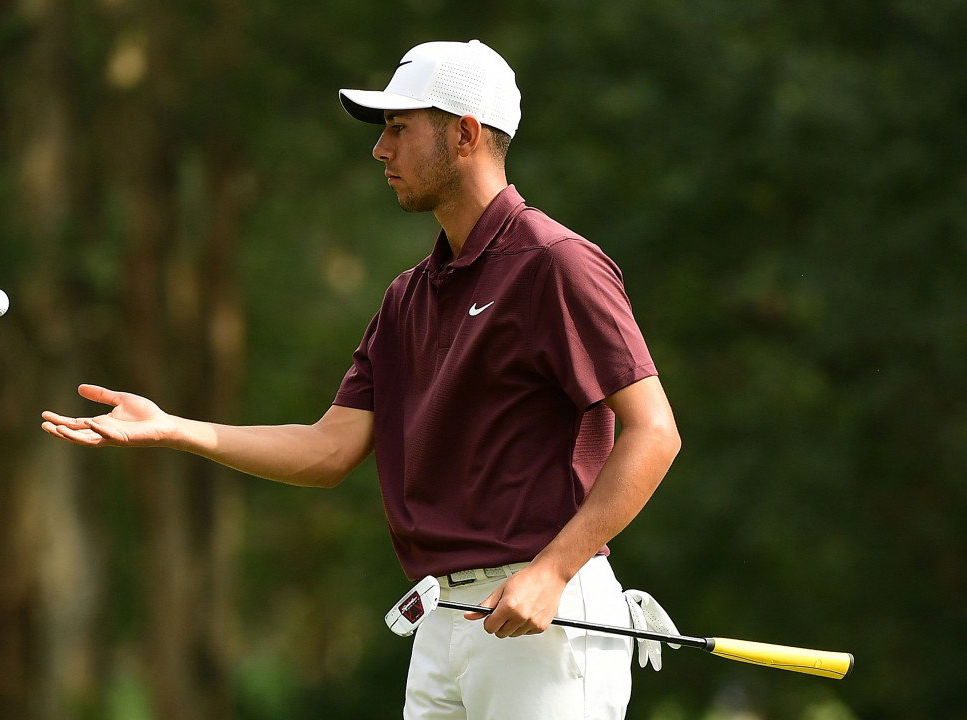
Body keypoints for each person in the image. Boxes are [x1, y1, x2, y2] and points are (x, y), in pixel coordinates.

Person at [41, 39, 680, 720]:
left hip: (543, 617)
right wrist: (174, 428)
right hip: (445, 619)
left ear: (464, 134)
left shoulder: (556, 264)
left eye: (399, 129)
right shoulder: (409, 296)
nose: (381, 150)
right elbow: (329, 450)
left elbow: (654, 432)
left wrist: (553, 572)